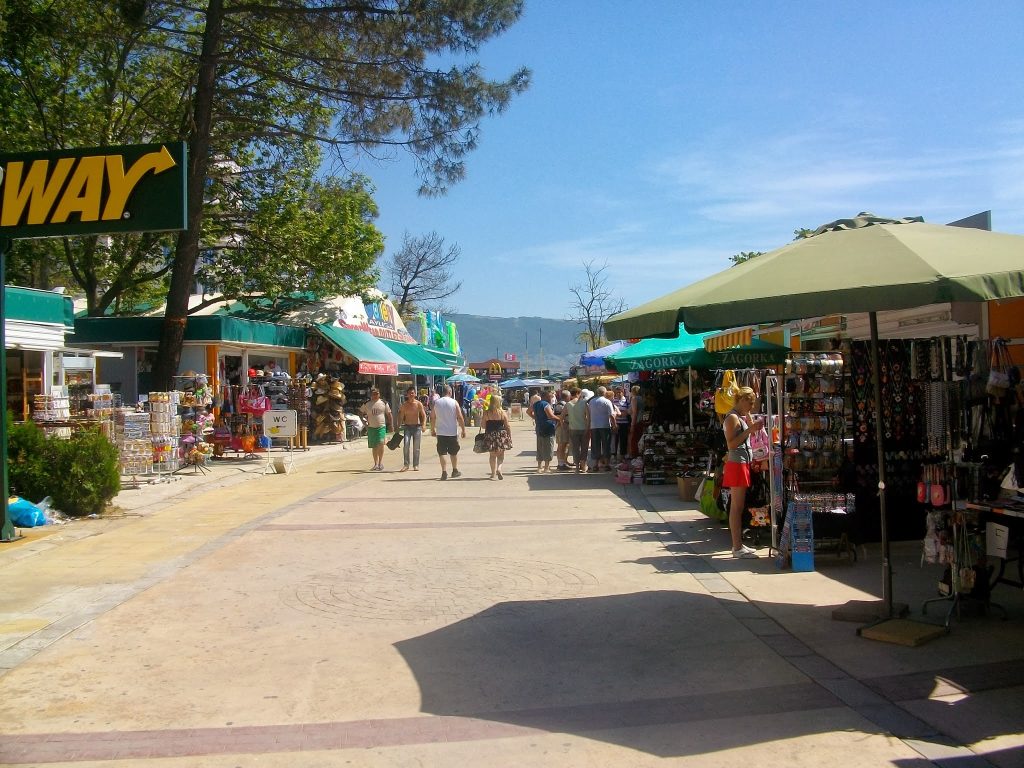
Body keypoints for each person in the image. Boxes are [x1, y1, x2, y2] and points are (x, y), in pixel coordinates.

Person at [723, 386, 763, 559]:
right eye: (750, 401)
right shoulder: (732, 417)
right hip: (737, 462)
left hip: (743, 462)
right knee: (736, 507)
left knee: (739, 507)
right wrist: (749, 430)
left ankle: (738, 544)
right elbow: (731, 444)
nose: (752, 405)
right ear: (741, 399)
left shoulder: (739, 416)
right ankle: (736, 546)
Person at [430, 385, 466, 480]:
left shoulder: (437, 403)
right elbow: (460, 417)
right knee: (453, 452)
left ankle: (444, 472)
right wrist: (463, 429)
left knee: (442, 453)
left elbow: (432, 417)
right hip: (452, 432)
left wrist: (432, 429)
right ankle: (454, 470)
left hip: (441, 432)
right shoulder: (454, 402)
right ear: (450, 392)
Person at [480, 393, 513, 479]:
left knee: (492, 455)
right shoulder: (503, 413)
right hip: (501, 435)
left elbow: (483, 426)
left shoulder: (486, 413)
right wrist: (509, 436)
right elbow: (507, 426)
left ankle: (492, 473)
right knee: (501, 455)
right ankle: (499, 468)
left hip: (490, 434)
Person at [359, 387, 392, 472]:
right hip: (371, 427)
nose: (375, 395)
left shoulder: (384, 403)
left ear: (379, 394)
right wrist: (364, 423)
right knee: (374, 446)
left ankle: (380, 463)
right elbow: (360, 412)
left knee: (381, 443)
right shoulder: (367, 404)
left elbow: (389, 414)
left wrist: (391, 425)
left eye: (377, 393)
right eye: (373, 394)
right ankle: (376, 464)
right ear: (371, 394)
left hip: (381, 427)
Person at [585, 385, 616, 472]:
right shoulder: (607, 401)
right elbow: (611, 415)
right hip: (605, 425)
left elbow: (589, 414)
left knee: (595, 445)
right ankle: (606, 464)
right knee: (606, 445)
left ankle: (596, 464)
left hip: (594, 426)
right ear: (605, 392)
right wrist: (615, 425)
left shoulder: (591, 402)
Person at [397, 386, 427, 472]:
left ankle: (416, 465)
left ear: (415, 394)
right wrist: (398, 426)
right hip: (407, 427)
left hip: (417, 427)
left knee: (416, 447)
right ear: (407, 394)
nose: (411, 395)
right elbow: (401, 416)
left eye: (412, 393)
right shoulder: (404, 405)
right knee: (406, 445)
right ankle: (406, 464)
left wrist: (424, 424)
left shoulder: (418, 404)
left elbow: (424, 415)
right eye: (410, 393)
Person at [530, 390, 559, 473]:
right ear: (546, 396)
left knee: (540, 447)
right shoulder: (546, 404)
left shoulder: (535, 404)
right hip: (548, 427)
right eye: (550, 396)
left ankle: (539, 467)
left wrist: (536, 417)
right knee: (548, 447)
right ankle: (546, 467)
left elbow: (528, 411)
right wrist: (559, 419)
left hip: (539, 427)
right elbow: (550, 415)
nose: (551, 398)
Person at [565, 387, 589, 473]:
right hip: (583, 428)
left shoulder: (568, 404)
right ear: (578, 393)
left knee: (575, 448)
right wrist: (588, 427)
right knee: (584, 448)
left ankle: (577, 467)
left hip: (573, 429)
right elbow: (588, 417)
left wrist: (566, 425)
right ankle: (583, 465)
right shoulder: (584, 403)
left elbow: (561, 417)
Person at [553, 389, 573, 471]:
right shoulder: (561, 404)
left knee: (564, 445)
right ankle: (561, 464)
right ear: (567, 396)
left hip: (563, 427)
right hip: (562, 427)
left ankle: (563, 462)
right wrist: (563, 424)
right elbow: (558, 417)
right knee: (561, 446)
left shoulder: (563, 404)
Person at [611, 385, 630, 461]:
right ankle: (614, 455)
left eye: (619, 392)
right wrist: (620, 413)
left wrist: (619, 413)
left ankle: (622, 455)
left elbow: (628, 412)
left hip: (624, 423)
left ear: (623, 392)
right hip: (616, 423)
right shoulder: (613, 401)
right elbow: (612, 412)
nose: (618, 394)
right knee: (615, 440)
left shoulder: (627, 401)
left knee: (623, 440)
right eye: (617, 392)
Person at [627, 384, 642, 458]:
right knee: (640, 438)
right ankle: (640, 455)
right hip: (642, 420)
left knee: (633, 439)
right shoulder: (642, 398)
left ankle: (634, 456)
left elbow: (635, 412)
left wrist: (632, 424)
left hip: (636, 421)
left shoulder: (634, 399)